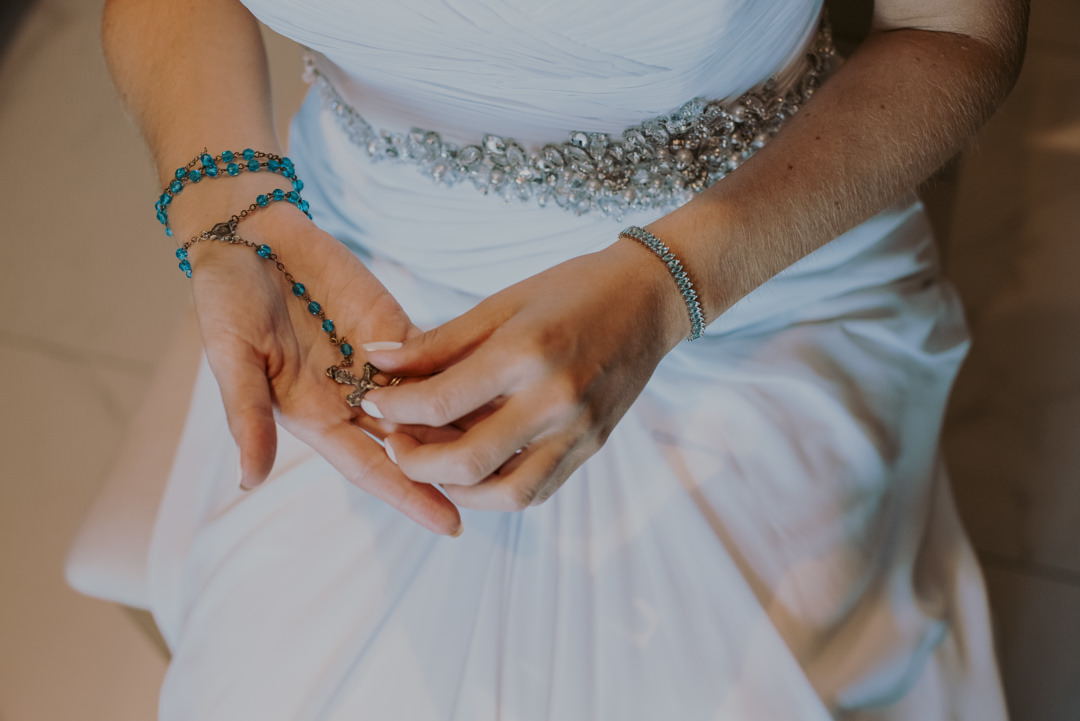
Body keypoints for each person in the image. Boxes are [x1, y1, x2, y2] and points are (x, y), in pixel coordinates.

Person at [102, 0, 1027, 718]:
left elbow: (954, 32)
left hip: (754, 271)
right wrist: (230, 216)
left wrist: (667, 288)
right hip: (366, 273)